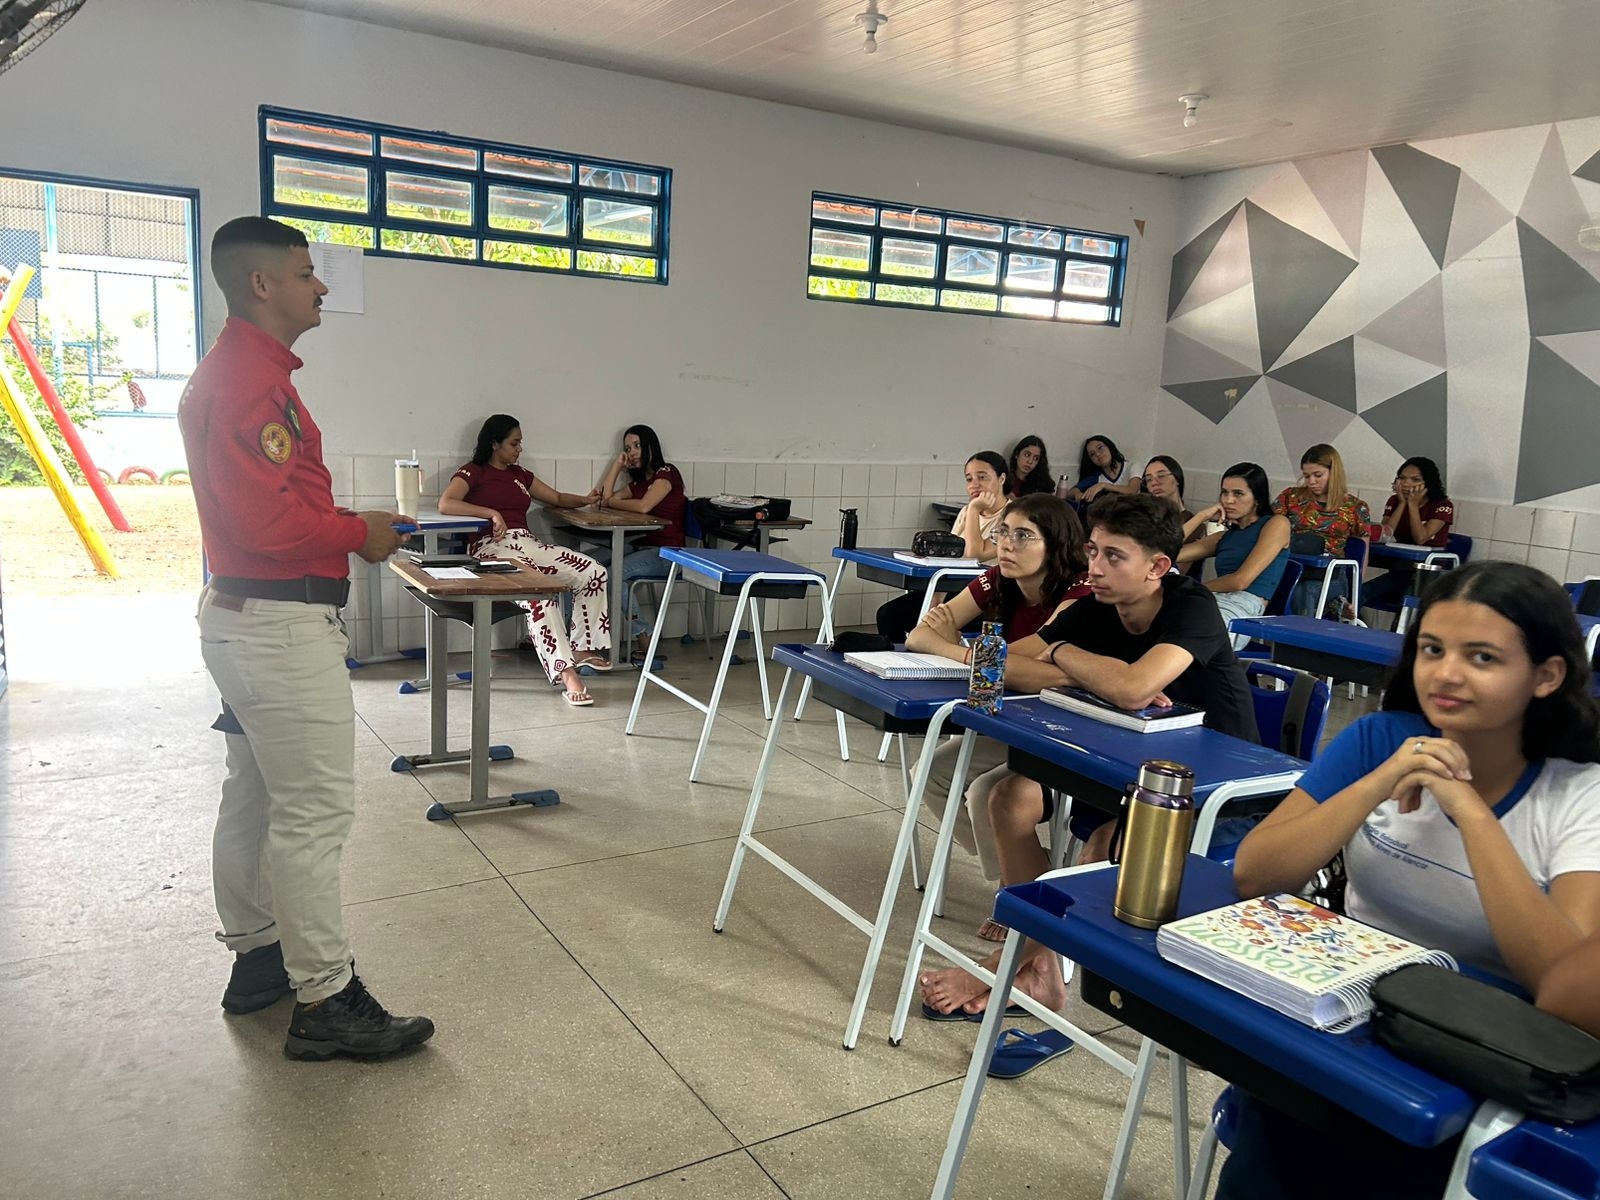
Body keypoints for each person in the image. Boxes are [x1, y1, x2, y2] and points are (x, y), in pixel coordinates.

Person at [1218, 561, 1600, 1200]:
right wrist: (1376, 783)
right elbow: (1255, 873)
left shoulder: (1578, 793)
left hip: (1483, 1067)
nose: (1446, 673)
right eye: (1431, 649)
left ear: (1546, 675)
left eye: (1481, 657)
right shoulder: (1379, 739)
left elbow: (1559, 983)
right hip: (1350, 1034)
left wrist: (1472, 812)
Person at [181, 216, 434, 1060]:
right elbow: (268, 522)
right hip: (278, 626)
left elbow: (267, 506)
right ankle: (325, 996)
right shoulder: (251, 383)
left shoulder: (244, 375)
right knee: (313, 811)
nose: (319, 286)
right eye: (303, 273)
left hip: (247, 618)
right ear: (262, 285)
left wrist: (346, 523)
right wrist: (357, 531)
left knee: (254, 794)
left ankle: (258, 960)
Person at [920, 494, 1259, 1014]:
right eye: (1093, 551)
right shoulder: (1095, 609)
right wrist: (1080, 664)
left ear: (1158, 568)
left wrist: (1065, 655)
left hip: (1207, 785)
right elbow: (1004, 664)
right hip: (1123, 765)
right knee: (1007, 798)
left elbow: (1134, 688)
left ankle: (1003, 965)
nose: (1094, 568)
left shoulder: (1192, 607)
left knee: (1098, 853)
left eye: (1113, 556)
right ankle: (1043, 973)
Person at [903, 495, 1091, 936]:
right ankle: (1022, 869)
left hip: (1063, 725)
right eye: (1003, 532)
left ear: (1056, 544)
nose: (1006, 544)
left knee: (984, 791)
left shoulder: (1078, 592)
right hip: (1008, 713)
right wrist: (973, 654)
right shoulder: (997, 580)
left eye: (1023, 536)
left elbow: (1019, 662)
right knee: (928, 772)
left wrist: (958, 650)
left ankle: (1015, 888)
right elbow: (920, 635)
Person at [439, 415, 611, 706]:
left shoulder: (519, 474)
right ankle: (567, 673)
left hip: (529, 544)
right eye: (513, 443)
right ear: (494, 444)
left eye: (520, 443)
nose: (519, 449)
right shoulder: (473, 472)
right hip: (492, 548)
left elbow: (555, 496)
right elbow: (446, 503)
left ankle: (583, 649)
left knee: (593, 572)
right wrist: (491, 513)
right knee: (539, 592)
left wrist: (585, 499)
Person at [876, 451, 1010, 641]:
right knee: (889, 615)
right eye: (969, 479)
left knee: (926, 625)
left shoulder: (1011, 515)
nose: (974, 484)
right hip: (954, 590)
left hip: (987, 597)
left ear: (1002, 478)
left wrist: (974, 509)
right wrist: (935, 600)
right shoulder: (966, 512)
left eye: (982, 477)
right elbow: (950, 560)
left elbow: (974, 554)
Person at [591, 424, 687, 658]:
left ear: (650, 446)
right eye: (627, 448)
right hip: (640, 546)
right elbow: (601, 499)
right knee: (585, 564)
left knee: (614, 574)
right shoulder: (638, 483)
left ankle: (645, 639)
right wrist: (616, 464)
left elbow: (644, 506)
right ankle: (575, 636)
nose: (632, 452)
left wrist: (611, 502)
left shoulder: (666, 473)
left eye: (637, 446)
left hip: (668, 553)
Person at [1179, 462, 1292, 648]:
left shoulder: (1277, 524)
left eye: (1238, 494)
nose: (1228, 500)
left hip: (1241, 606)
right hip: (1212, 599)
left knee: (1187, 634)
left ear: (1257, 498)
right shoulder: (1224, 536)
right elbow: (1166, 552)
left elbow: (1240, 581)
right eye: (1225, 492)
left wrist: (1193, 589)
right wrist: (1201, 516)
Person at [1274, 442, 1372, 618]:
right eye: (1306, 476)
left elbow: (1361, 557)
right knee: (1288, 586)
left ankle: (1298, 641)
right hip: (1290, 567)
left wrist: (1355, 594)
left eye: (1318, 475)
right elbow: (1268, 528)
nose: (1311, 481)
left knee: (1304, 591)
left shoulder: (1355, 507)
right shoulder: (1290, 497)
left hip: (1330, 576)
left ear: (1334, 473)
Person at [1364, 456, 1456, 616]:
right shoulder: (1395, 500)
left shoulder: (1443, 505)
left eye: (1415, 480)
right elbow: (1386, 533)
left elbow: (1421, 538)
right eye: (1402, 478)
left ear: (1428, 483)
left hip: (1427, 575)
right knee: (1359, 592)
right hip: (1400, 569)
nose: (1406, 484)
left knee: (1407, 601)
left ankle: (1398, 638)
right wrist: (1401, 504)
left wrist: (1413, 505)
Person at [1067, 434, 1136, 504]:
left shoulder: (1132, 466)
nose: (1097, 454)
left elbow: (1133, 491)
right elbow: (1070, 492)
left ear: (1109, 447)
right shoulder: (1096, 477)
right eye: (1092, 454)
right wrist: (1078, 494)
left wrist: (1104, 485)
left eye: (1100, 448)